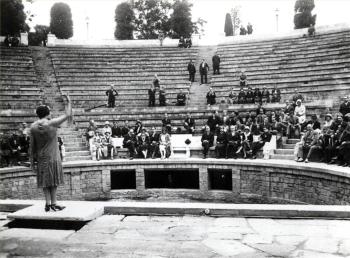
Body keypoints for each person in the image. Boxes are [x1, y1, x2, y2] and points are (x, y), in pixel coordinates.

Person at [29, 94, 72, 212]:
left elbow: (32, 145)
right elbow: (68, 115)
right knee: (53, 181)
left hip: (41, 157)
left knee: (45, 181)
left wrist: (32, 160)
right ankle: (54, 203)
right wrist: (68, 102)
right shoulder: (51, 123)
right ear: (47, 113)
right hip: (53, 156)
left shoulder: (33, 126)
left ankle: (48, 204)